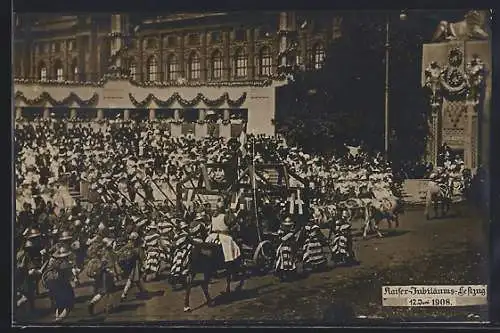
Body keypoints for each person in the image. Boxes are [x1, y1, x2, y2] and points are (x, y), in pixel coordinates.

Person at [42, 246, 76, 321]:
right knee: (68, 305)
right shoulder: (65, 264)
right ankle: (58, 321)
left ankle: (58, 319)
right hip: (63, 286)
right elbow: (69, 276)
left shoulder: (54, 262)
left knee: (59, 305)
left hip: (53, 286)